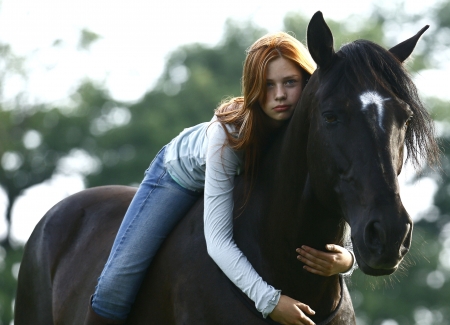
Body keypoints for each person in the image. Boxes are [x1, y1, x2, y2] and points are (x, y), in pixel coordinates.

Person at [84, 31, 357, 325]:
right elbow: (217, 241)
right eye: (267, 85)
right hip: (178, 175)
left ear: (307, 81)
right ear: (254, 88)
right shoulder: (228, 136)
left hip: (238, 180)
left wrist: (348, 260)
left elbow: (338, 189)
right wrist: (270, 302)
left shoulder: (317, 127)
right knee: (116, 283)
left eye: (289, 82)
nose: (279, 95)